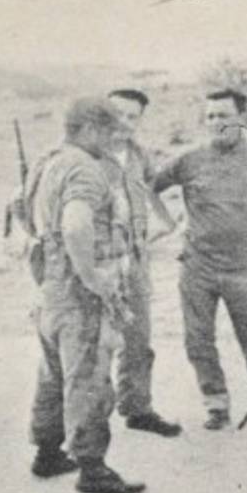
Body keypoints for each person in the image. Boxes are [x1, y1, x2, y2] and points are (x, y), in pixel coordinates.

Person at [152, 89, 247, 433]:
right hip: (197, 268)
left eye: (223, 115)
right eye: (210, 117)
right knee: (198, 339)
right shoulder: (189, 159)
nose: (216, 123)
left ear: (242, 117)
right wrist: (173, 228)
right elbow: (151, 187)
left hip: (246, 269)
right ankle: (216, 403)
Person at [26, 96, 146, 493]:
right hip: (81, 295)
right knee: (90, 379)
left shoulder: (49, 162)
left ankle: (47, 453)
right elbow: (77, 225)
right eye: (110, 131)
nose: (115, 140)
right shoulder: (84, 169)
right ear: (90, 129)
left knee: (54, 373)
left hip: (52, 288)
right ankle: (92, 470)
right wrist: (95, 278)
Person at [104, 88, 182, 438]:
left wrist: (169, 226)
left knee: (138, 337)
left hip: (134, 260)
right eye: (116, 112)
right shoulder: (81, 153)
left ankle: (137, 407)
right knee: (92, 343)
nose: (122, 122)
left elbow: (151, 192)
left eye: (131, 116)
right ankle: (83, 425)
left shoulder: (138, 155)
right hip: (98, 262)